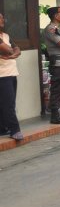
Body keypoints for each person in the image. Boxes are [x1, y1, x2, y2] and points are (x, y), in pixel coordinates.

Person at [0, 11, 24, 141]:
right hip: (2, 74)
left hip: (11, 72)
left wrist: (13, 54)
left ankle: (3, 128)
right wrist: (11, 52)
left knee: (7, 103)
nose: (3, 20)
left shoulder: (6, 35)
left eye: (3, 18)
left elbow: (17, 49)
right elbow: (8, 50)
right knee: (8, 104)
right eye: (0, 18)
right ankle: (15, 130)